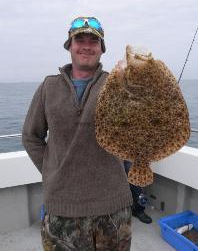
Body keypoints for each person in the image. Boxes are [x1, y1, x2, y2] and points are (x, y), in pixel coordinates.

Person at [22, 16, 133, 251]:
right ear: (69, 46)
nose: (86, 45)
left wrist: (133, 79)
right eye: (79, 39)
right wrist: (52, 170)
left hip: (113, 206)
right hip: (62, 207)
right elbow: (31, 136)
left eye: (93, 41)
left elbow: (135, 128)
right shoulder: (48, 87)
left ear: (102, 49)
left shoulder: (119, 84)